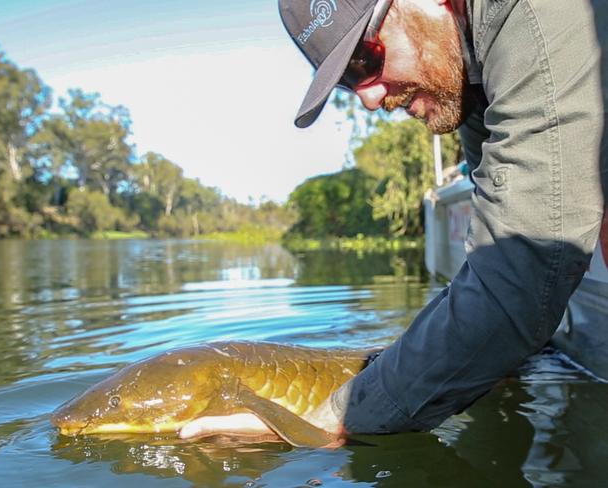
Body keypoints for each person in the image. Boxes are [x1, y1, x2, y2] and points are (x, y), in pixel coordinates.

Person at [180, 0, 607, 445]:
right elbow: (495, 262)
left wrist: (329, 420)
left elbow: (521, 271)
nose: (367, 98)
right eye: (347, 82)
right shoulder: (475, 86)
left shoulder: (530, 14)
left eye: (366, 59)